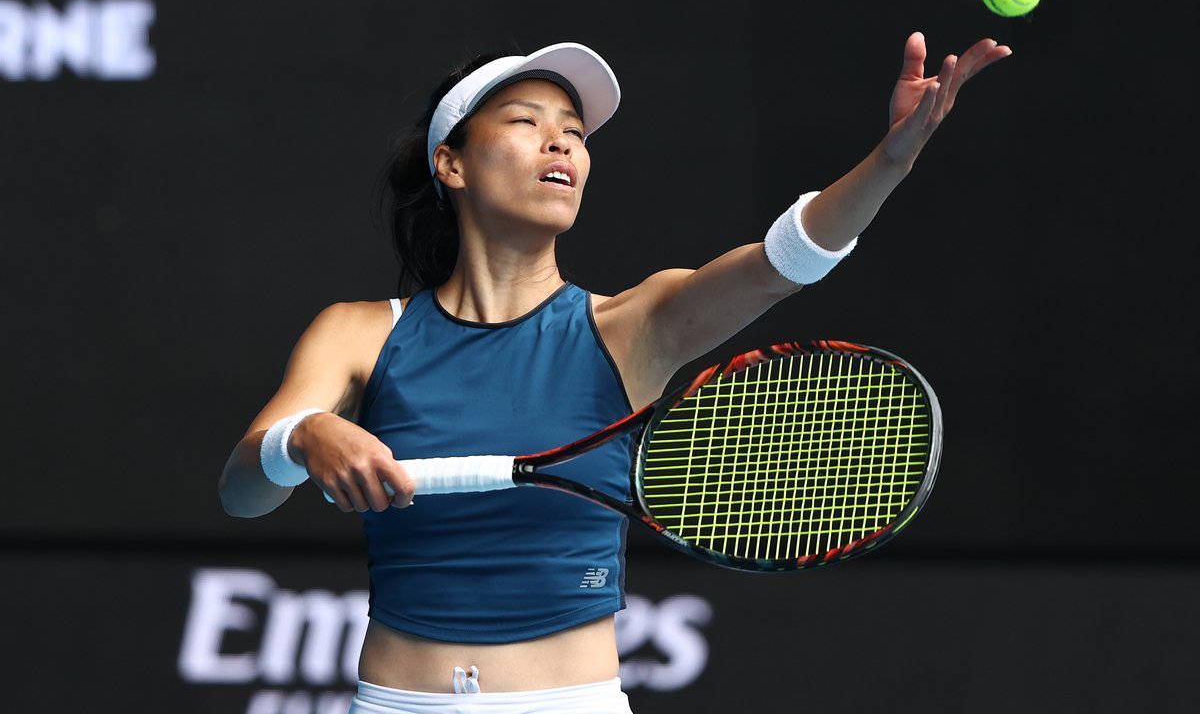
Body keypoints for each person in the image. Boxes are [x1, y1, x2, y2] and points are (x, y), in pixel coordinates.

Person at [218, 35, 1010, 713]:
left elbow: (782, 264)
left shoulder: (634, 326)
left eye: (574, 132)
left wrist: (890, 161)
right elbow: (243, 491)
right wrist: (304, 437)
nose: (560, 143)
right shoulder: (359, 332)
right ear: (451, 163)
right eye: (526, 123)